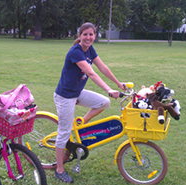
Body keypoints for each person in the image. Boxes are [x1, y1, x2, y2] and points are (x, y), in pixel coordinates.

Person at [53, 22, 126, 183]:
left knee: (104, 103)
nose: (88, 37)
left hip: (77, 93)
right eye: (85, 34)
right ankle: (59, 170)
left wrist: (119, 84)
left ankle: (81, 122)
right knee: (64, 133)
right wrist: (108, 89)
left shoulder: (90, 49)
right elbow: (91, 73)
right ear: (79, 36)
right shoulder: (76, 52)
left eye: (91, 34)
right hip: (65, 96)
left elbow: (103, 68)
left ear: (95, 35)